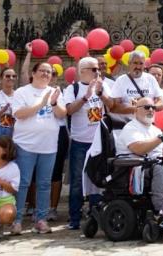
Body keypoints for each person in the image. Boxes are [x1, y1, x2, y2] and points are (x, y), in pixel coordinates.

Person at [115, 97, 163, 230]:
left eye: (153, 107)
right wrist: (162, 137)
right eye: (147, 107)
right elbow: (139, 149)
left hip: (154, 164)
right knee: (160, 169)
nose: (151, 110)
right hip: (134, 168)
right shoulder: (130, 128)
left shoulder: (155, 130)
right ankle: (159, 211)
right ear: (136, 110)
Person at [11, 61, 66, 234]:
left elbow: (62, 114)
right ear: (33, 73)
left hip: (48, 146)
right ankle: (17, 220)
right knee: (23, 183)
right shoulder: (22, 92)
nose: (46, 74)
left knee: (44, 184)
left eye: (49, 72)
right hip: (25, 145)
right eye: (42, 70)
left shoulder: (55, 92)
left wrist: (54, 103)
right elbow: (19, 113)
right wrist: (41, 104)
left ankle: (41, 219)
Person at [63, 57, 112, 230]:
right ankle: (74, 219)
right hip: (80, 142)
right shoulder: (72, 88)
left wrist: (101, 93)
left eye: (98, 69)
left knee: (98, 181)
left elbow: (111, 106)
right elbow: (69, 110)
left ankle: (95, 217)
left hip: (99, 142)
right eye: (94, 69)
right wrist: (86, 96)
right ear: (82, 71)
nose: (98, 72)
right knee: (77, 181)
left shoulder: (104, 85)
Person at [109, 51, 163, 129]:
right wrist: (136, 109)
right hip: (127, 125)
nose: (138, 66)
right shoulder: (121, 80)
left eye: (141, 63)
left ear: (144, 65)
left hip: (148, 126)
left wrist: (149, 107)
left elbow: (161, 103)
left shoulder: (151, 79)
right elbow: (114, 107)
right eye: (135, 63)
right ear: (129, 63)